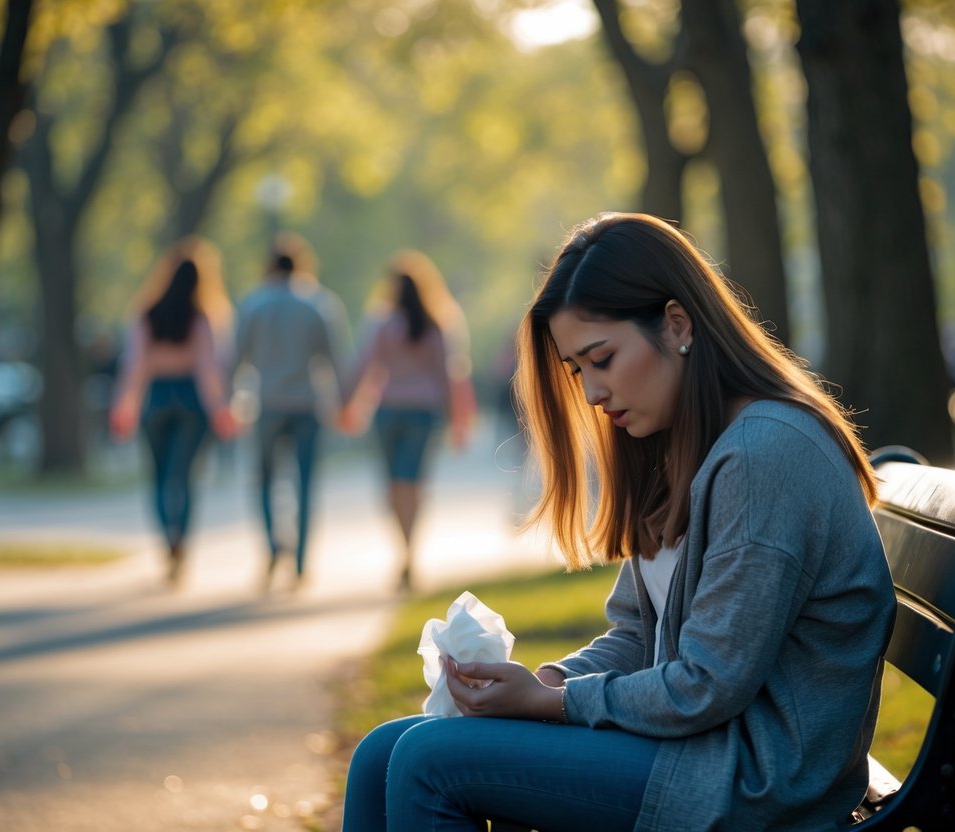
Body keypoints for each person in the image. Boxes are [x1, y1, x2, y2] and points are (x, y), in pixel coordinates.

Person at [342, 213, 896, 831]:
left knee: (426, 761)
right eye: (579, 370)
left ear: (677, 324)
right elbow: (636, 636)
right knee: (381, 754)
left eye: (602, 358)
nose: (594, 393)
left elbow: (706, 684)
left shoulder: (765, 456)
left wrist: (549, 703)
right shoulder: (688, 446)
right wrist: (540, 682)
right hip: (692, 751)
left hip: (748, 778)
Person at [339, 249, 475, 592]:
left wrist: (346, 404)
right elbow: (449, 376)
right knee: (412, 483)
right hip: (424, 412)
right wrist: (457, 421)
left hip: (387, 411)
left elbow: (364, 365)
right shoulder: (437, 324)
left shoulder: (382, 323)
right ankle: (410, 552)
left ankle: (404, 551)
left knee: (393, 484)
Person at [109, 236, 239, 586]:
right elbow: (209, 370)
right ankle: (182, 539)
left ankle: (168, 537)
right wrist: (221, 410)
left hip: (156, 399)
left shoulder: (146, 314)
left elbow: (134, 366)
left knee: (158, 476)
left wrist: (124, 407)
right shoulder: (202, 318)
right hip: (191, 401)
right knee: (184, 477)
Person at [234, 232, 350, 590]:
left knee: (266, 481)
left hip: (267, 402)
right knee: (305, 483)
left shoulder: (253, 304)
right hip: (307, 403)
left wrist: (229, 399)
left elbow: (237, 358)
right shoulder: (319, 304)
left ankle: (272, 546)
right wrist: (343, 404)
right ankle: (300, 562)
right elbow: (335, 360)